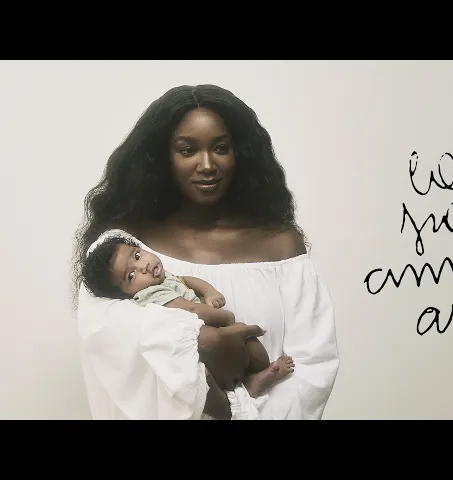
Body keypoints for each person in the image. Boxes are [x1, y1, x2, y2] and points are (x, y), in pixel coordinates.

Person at [71, 84, 340, 420]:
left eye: (221, 148)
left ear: (241, 153)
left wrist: (241, 414)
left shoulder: (281, 246)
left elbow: (312, 366)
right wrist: (201, 341)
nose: (208, 164)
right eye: (187, 150)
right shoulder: (124, 247)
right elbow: (106, 343)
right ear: (162, 157)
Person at [80, 231, 296, 419]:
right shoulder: (150, 294)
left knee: (255, 350)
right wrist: (226, 319)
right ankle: (244, 392)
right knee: (203, 379)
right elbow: (191, 310)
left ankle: (258, 377)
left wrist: (209, 292)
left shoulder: (165, 277)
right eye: (131, 275)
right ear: (126, 294)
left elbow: (189, 281)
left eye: (137, 255)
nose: (143, 266)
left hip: (214, 329)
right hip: (202, 343)